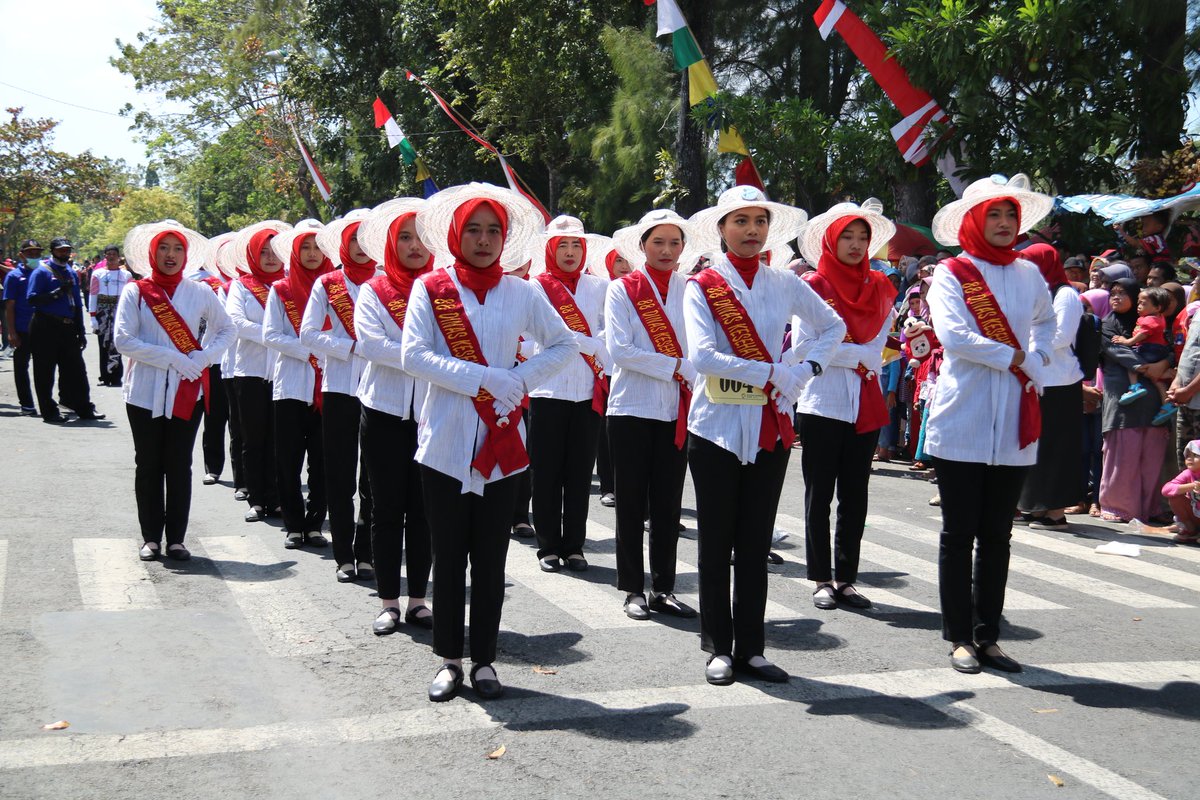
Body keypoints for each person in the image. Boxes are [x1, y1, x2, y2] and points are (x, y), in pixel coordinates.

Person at [401, 183, 576, 702]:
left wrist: (518, 379)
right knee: (449, 555)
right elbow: (414, 356)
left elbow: (562, 344)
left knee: (492, 560)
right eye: (474, 230)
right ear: (456, 234)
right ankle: (449, 661)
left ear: (506, 238)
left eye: (493, 230)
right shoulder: (430, 288)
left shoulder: (522, 292)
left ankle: (484, 661)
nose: (483, 239)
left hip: (503, 445)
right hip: (445, 444)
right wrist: (481, 378)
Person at [684, 185, 844, 686]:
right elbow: (704, 357)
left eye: (759, 222)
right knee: (716, 541)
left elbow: (832, 327)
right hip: (715, 428)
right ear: (722, 229)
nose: (751, 231)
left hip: (769, 427)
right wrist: (775, 373)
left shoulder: (783, 282)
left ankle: (752, 648)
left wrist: (806, 366)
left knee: (754, 544)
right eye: (741, 222)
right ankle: (717, 647)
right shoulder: (702, 285)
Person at [925, 173, 1056, 675]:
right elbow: (954, 337)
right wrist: (1018, 356)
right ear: (973, 222)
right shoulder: (952, 273)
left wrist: (1039, 356)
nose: (1003, 224)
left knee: (998, 535)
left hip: (1016, 419)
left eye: (1010, 215)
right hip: (964, 418)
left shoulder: (1028, 274)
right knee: (959, 533)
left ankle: (989, 636)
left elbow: (1049, 321)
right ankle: (959, 636)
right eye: (993, 216)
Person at [793, 199, 898, 611]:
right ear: (830, 242)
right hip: (822, 401)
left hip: (864, 402)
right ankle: (820, 576)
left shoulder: (881, 286)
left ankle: (847, 577)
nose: (856, 245)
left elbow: (876, 352)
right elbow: (804, 348)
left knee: (856, 494)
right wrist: (851, 353)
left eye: (862, 238)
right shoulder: (814, 286)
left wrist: (841, 350)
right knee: (820, 494)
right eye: (848, 237)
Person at [113, 222, 235, 561]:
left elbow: (227, 330)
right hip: (143, 393)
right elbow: (123, 340)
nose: (171, 255)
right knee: (148, 464)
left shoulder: (199, 292)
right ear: (152, 253)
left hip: (187, 391)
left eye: (177, 248)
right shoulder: (136, 292)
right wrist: (170, 357)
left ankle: (177, 539)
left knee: (180, 465)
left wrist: (204, 356)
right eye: (164, 248)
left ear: (186, 254)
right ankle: (150, 538)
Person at [605, 209, 702, 620]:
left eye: (674, 242)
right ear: (642, 246)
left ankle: (663, 587)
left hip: (677, 409)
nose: (666, 250)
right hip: (630, 407)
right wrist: (677, 367)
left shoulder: (692, 288)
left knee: (668, 503)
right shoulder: (623, 290)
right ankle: (632, 588)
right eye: (658, 242)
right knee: (630, 502)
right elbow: (620, 350)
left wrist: (688, 369)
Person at [354, 198, 436, 634]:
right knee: (385, 508)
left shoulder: (445, 289)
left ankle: (420, 599)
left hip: (431, 413)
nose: (415, 245)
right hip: (383, 410)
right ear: (390, 243)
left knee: (423, 510)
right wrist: (426, 358)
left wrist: (420, 358)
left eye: (422, 236)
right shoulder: (374, 289)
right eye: (405, 237)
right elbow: (370, 345)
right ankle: (388, 600)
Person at [526, 215, 610, 573]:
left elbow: (609, 336)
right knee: (545, 473)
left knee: (578, 474)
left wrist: (590, 347)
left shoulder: (599, 287)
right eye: (563, 245)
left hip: (586, 393)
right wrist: (582, 344)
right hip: (547, 391)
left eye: (577, 244)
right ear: (550, 248)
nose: (571, 252)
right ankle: (547, 545)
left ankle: (574, 546)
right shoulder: (534, 287)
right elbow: (530, 339)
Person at [302, 210, 378, 583]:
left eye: (367, 239)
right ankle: (344, 554)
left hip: (381, 391)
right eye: (353, 240)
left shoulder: (386, 283)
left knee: (373, 479)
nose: (360, 247)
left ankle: (367, 552)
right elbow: (309, 333)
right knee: (341, 474)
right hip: (339, 388)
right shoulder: (327, 283)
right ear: (343, 244)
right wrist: (349, 347)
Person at [263, 220, 331, 551]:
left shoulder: (337, 288)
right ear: (294, 251)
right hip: (289, 387)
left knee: (322, 461)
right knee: (288, 459)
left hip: (331, 387)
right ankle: (293, 525)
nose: (312, 253)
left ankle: (316, 523)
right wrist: (309, 351)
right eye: (305, 246)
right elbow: (270, 334)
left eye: (318, 246)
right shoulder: (281, 289)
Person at [1011, 244, 1085, 531]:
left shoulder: (1065, 295)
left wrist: (1025, 347)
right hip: (1035, 379)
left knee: (1057, 447)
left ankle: (1055, 511)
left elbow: (1061, 336)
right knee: (1036, 444)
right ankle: (1035, 506)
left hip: (1059, 382)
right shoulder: (1033, 292)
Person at [227, 220, 291, 521]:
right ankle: (256, 498)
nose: (269, 258)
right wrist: (273, 333)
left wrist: (277, 335)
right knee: (254, 438)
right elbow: (236, 323)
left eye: (274, 251)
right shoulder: (241, 285)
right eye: (263, 252)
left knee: (279, 439)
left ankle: (276, 497)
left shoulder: (290, 285)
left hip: (283, 371)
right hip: (250, 371)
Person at [1098, 278, 1173, 523]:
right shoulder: (1108, 324)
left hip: (1152, 400)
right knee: (1123, 453)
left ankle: (1149, 507)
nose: (1116, 298)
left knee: (1151, 456)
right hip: (1123, 397)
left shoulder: (1152, 320)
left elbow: (1169, 347)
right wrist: (1145, 367)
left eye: (1122, 293)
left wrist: (1162, 363)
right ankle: (1118, 507)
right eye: (1113, 293)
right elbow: (1116, 351)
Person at [25, 237, 104, 423]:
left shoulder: (69, 271)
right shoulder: (41, 272)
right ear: (53, 251)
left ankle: (83, 406)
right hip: (45, 325)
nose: (64, 253)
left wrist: (80, 328)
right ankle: (49, 410)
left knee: (76, 370)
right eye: (61, 250)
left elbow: (76, 302)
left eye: (67, 249)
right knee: (45, 371)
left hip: (67, 326)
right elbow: (32, 299)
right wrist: (57, 293)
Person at [209, 233, 246, 497]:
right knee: (215, 417)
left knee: (241, 426)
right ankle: (213, 466)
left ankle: (244, 480)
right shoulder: (219, 288)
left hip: (245, 365)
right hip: (219, 360)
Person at [1113, 286, 1176, 425]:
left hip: (1149, 349)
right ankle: (1166, 405)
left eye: (1144, 303)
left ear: (1158, 307)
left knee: (1132, 364)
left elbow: (1144, 334)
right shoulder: (1159, 318)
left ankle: (1135, 387)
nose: (1139, 306)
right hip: (1159, 350)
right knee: (1157, 381)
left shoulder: (1149, 319)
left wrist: (1128, 341)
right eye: (1139, 302)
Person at [3, 240, 42, 415]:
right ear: (21, 254)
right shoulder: (14, 276)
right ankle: (26, 404)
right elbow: (9, 306)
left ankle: (46, 403)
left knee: (44, 368)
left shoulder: (45, 274)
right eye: (29, 253)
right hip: (21, 329)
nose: (33, 256)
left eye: (36, 253)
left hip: (43, 329)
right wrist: (11, 332)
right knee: (21, 367)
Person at [88, 245, 132, 387]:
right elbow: (93, 294)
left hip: (119, 311)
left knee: (118, 343)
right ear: (105, 256)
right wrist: (92, 316)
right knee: (104, 344)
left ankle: (116, 376)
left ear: (118, 256)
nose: (111, 257)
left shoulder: (126, 275)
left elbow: (131, 297)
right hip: (103, 312)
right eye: (108, 254)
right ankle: (105, 376)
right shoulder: (97, 273)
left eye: (114, 254)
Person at [1161, 439, 1200, 544]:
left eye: (1196, 455)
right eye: (1188, 456)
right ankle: (1190, 529)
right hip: (1195, 516)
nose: (1190, 459)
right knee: (1175, 497)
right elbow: (1166, 490)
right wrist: (1191, 486)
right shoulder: (1188, 473)